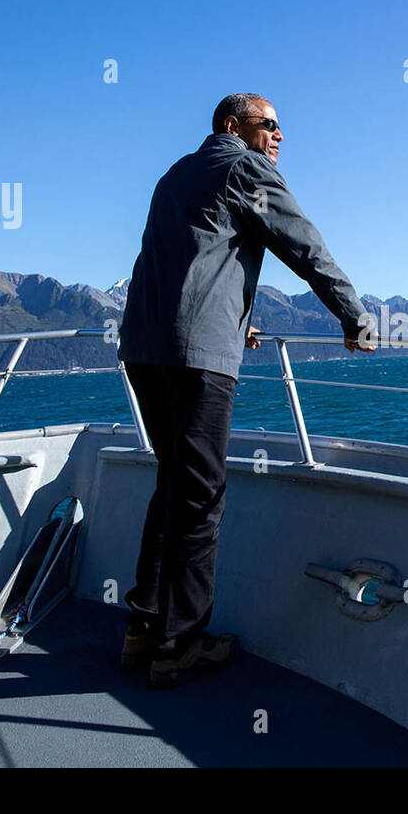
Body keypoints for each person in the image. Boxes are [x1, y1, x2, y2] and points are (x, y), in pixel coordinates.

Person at [116, 93, 376, 688]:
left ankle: (142, 630)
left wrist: (234, 315)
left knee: (171, 484)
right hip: (195, 361)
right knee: (202, 500)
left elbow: (172, 261)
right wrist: (353, 315)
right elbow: (302, 244)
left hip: (144, 350)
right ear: (234, 127)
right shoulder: (244, 167)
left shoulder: (174, 175)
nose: (280, 136)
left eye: (284, 126)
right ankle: (181, 646)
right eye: (270, 125)